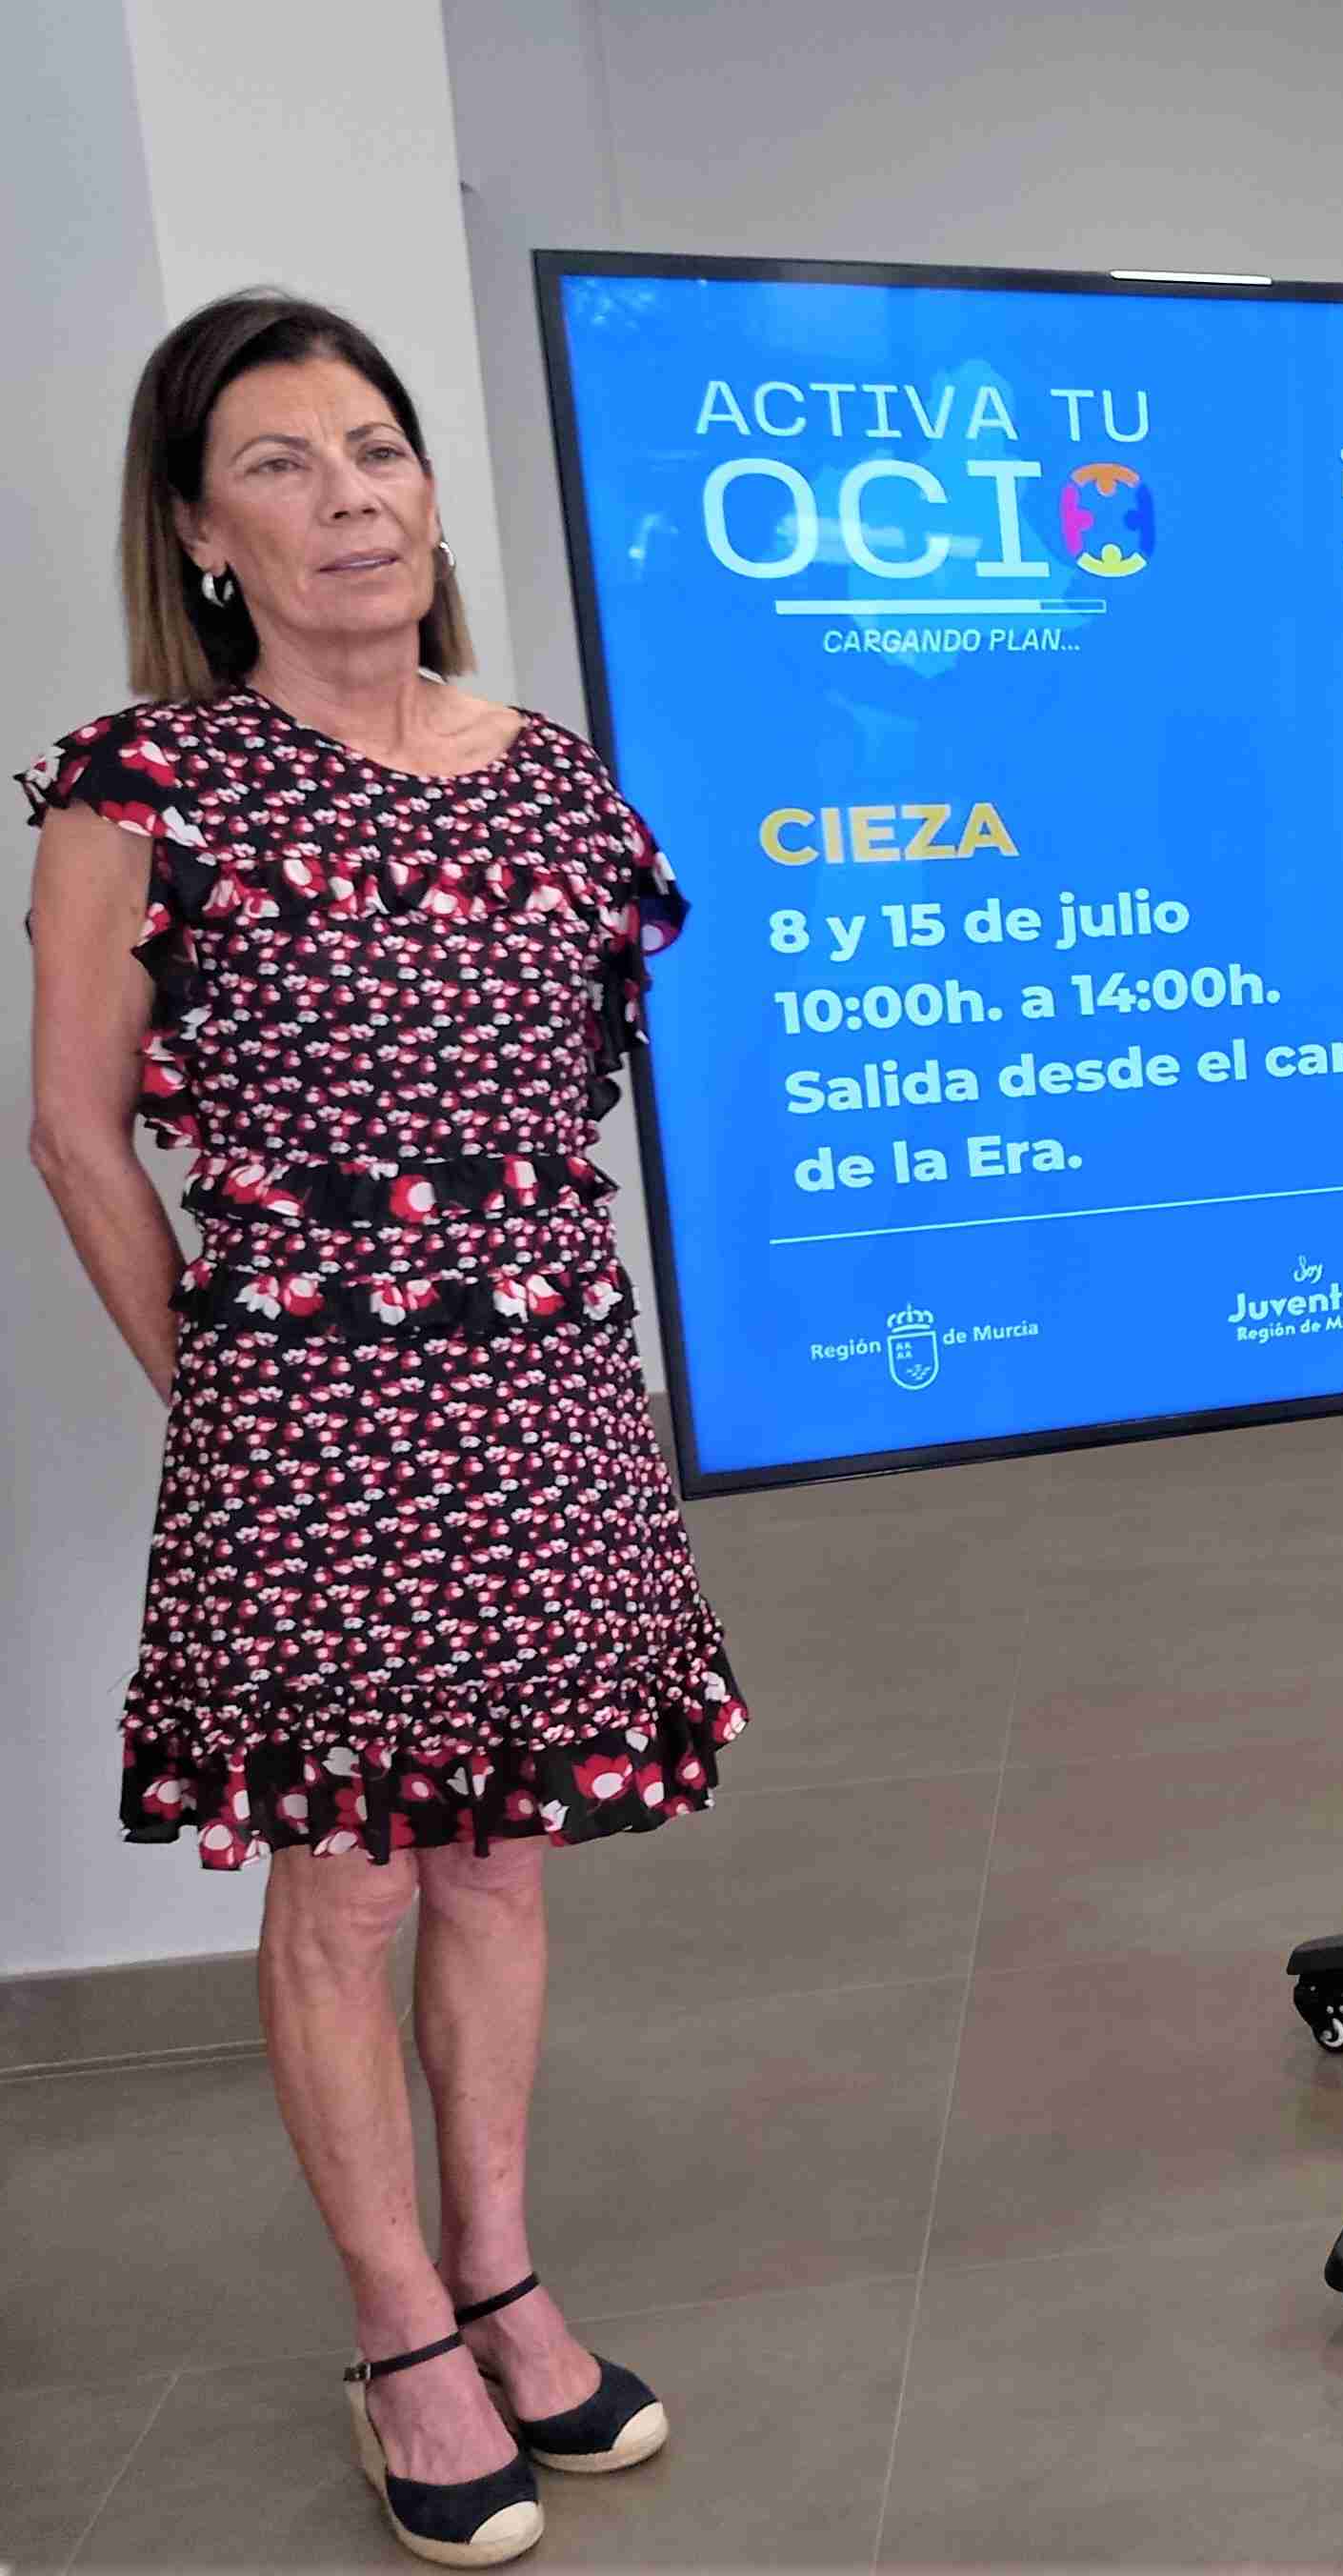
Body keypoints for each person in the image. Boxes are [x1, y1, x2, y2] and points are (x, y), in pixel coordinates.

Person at [23, 292, 739, 2565]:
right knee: (343, 1874)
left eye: (378, 448)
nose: (351, 496)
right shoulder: (142, 787)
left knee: (501, 1859)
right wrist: (237, 1399)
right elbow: (69, 1135)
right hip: (302, 1424)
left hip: (544, 1397)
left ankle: (509, 2274)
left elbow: (571, 1120)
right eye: (281, 464)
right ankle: (399, 2323)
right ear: (201, 530)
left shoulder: (553, 778)